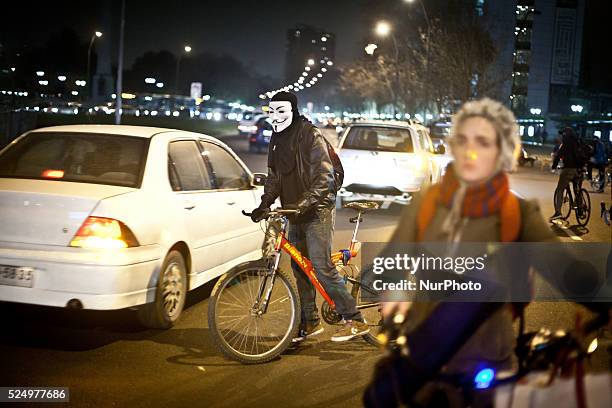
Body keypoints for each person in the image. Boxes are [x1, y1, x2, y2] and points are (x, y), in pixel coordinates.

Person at [362, 99, 610, 406]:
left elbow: (563, 268)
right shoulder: (429, 202)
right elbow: (390, 263)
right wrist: (393, 290)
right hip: (431, 361)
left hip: (483, 362)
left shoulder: (515, 212)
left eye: (483, 142)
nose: (471, 150)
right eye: (463, 140)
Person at [249, 91, 369, 342]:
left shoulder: (309, 135)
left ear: (293, 111)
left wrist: (305, 203)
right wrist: (264, 204)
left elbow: (324, 178)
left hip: (317, 208)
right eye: (272, 112)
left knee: (320, 264)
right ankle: (311, 322)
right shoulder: (277, 139)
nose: (276, 117)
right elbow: (274, 177)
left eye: (282, 111)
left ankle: (354, 319)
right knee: (299, 267)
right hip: (295, 210)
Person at [550, 127, 579, 221]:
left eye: (563, 134)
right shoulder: (577, 142)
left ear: (565, 134)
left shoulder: (565, 144)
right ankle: (581, 208)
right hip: (578, 169)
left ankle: (558, 212)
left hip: (568, 169)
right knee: (577, 189)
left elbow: (558, 155)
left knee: (560, 189)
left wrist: (554, 166)